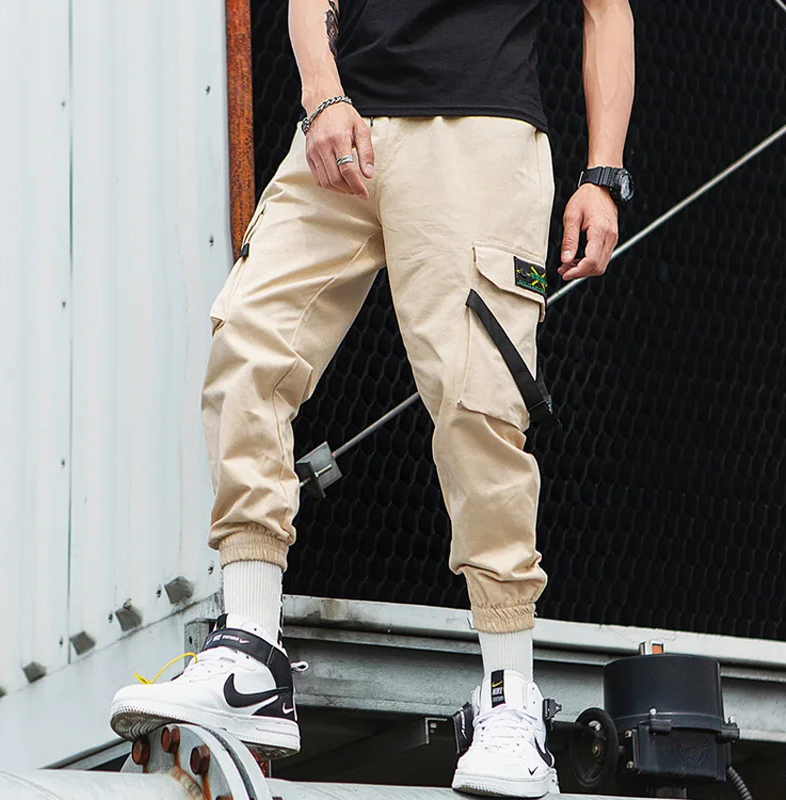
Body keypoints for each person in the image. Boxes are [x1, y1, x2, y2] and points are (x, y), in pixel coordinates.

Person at [110, 0, 634, 795]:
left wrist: (602, 173)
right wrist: (322, 96)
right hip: (345, 125)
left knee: (477, 403)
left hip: (481, 129)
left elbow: (607, 9)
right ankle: (250, 650)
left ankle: (509, 697)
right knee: (247, 344)